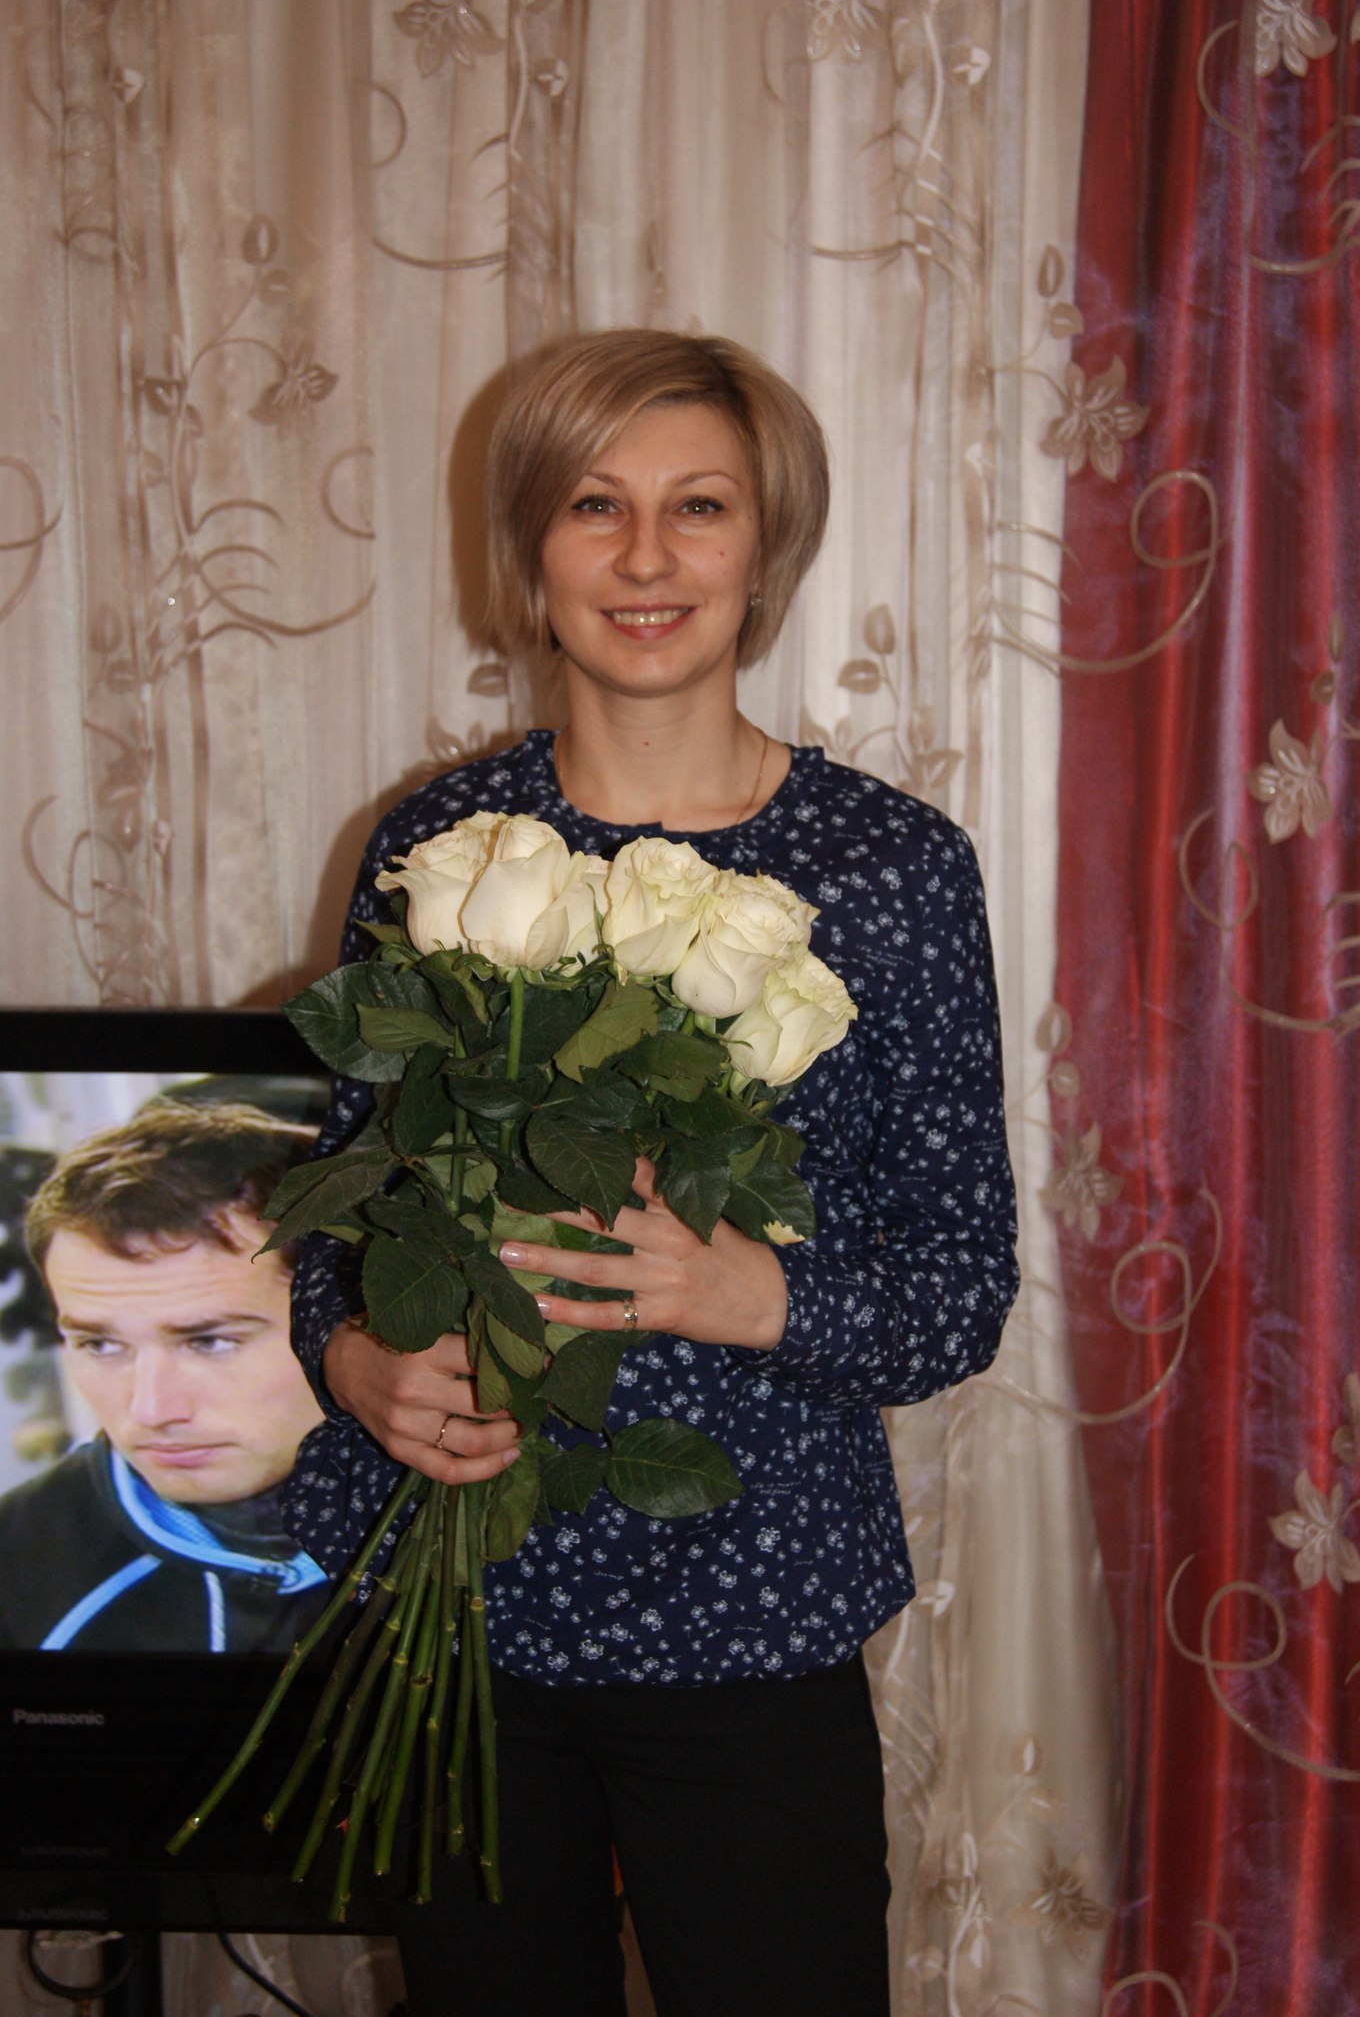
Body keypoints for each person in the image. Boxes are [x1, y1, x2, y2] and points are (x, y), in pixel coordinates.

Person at [284, 329, 1019, 2017]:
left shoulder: (888, 868)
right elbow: (339, 1208)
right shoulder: (439, 850)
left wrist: (749, 1294)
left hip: (749, 1614)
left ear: (765, 546)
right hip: (463, 1609)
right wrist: (358, 1360)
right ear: (528, 549)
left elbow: (956, 1286)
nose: (642, 558)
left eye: (698, 506)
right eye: (591, 505)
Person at [0, 1100, 329, 1652]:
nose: (151, 1410)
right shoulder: (18, 1574)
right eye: (101, 1344)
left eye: (210, 1341)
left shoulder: (483, 1528)